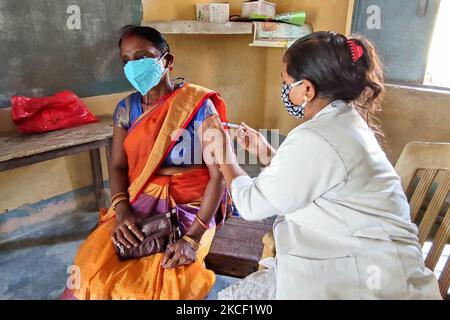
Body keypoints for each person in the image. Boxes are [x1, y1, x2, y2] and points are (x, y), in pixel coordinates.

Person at [204, 31, 442, 300]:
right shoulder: (345, 121)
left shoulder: (316, 137)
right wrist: (265, 151)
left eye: (287, 83)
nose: (284, 90)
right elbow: (312, 179)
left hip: (365, 282)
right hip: (367, 263)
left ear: (306, 88)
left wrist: (224, 153)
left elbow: (251, 205)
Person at [61, 25, 230, 300]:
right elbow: (117, 166)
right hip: (138, 200)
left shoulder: (198, 105)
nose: (133, 67)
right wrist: (123, 212)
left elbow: (219, 175)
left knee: (165, 279)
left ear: (168, 61)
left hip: (191, 207)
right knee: (90, 264)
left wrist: (192, 238)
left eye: (142, 57)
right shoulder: (126, 110)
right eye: (126, 61)